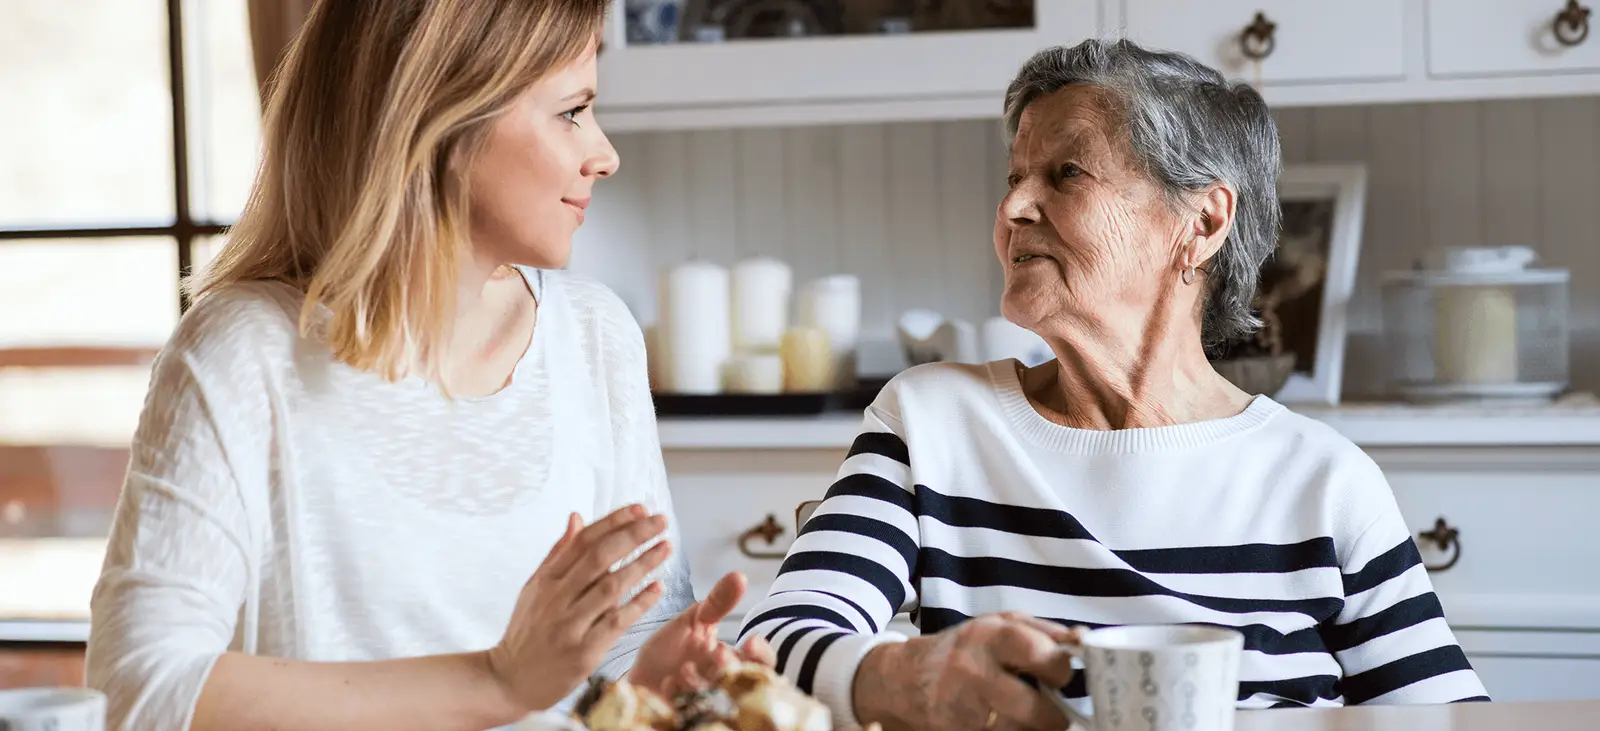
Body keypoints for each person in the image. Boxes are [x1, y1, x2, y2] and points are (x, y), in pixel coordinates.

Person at [737, 39, 1489, 731]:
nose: (1011, 210)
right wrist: (905, 673)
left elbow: (1453, 720)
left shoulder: (1322, 479)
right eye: (1012, 179)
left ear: (1200, 221)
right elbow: (771, 645)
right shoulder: (931, 422)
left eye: (1065, 173)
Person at [85, 2, 769, 731]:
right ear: (443, 121)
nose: (603, 153)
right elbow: (140, 687)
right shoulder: (239, 352)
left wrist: (658, 678)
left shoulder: (596, 336)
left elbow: (615, 647)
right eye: (572, 112)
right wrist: (496, 680)